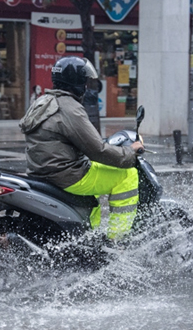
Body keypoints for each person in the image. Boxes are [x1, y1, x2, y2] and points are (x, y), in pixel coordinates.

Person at [19, 56, 144, 241]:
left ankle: (88, 239)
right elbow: (98, 150)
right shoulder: (70, 108)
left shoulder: (43, 101)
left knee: (93, 190)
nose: (86, 86)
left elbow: (66, 139)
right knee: (127, 176)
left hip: (41, 170)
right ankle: (118, 241)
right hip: (66, 175)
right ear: (77, 82)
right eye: (85, 81)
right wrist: (129, 152)